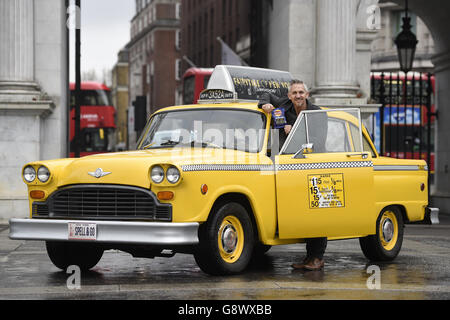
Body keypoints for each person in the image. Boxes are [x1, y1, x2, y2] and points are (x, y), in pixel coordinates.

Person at [258, 79, 327, 271]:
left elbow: (318, 141)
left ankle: (317, 257)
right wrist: (265, 104)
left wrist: (293, 130)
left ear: (307, 94)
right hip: (291, 166)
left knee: (316, 211)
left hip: (314, 165)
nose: (298, 96)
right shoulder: (284, 105)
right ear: (289, 96)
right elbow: (265, 94)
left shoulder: (318, 114)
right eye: (294, 93)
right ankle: (309, 257)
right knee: (302, 211)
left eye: (301, 92)